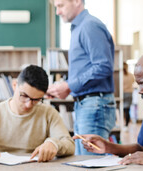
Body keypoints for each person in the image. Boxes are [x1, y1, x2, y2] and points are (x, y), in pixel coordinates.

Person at [0, 65, 75, 162]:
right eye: (24, 96)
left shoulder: (48, 113)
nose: (29, 104)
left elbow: (70, 145)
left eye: (36, 100)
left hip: (35, 170)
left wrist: (54, 144)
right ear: (14, 85)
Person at [48, 0, 116, 155]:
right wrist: (65, 86)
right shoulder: (80, 27)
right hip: (87, 104)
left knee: (90, 164)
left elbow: (103, 66)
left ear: (77, 1)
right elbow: (85, 68)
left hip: (94, 104)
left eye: (61, 5)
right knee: (84, 161)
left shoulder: (89, 26)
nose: (58, 12)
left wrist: (70, 86)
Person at [123, 61, 134, 129]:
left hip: (123, 93)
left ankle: (123, 124)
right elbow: (133, 81)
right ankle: (126, 125)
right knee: (127, 110)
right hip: (129, 93)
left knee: (122, 110)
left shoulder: (121, 75)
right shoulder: (130, 75)